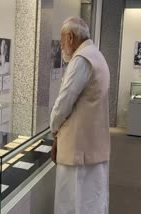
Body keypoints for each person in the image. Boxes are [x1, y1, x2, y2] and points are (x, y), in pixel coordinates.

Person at [50, 17, 110, 214]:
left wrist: (53, 127)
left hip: (78, 150)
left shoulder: (81, 60)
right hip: (93, 145)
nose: (61, 46)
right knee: (92, 201)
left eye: (61, 40)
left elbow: (64, 102)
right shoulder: (97, 55)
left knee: (74, 203)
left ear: (70, 37)